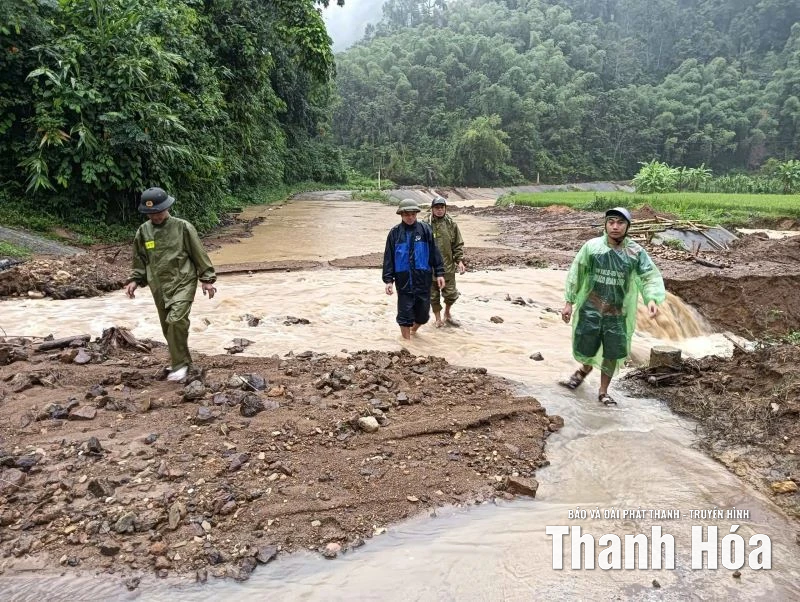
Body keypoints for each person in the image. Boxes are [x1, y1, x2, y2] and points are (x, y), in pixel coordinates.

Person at [560, 207, 666, 406]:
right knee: (587, 346)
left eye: (620, 223)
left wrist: (652, 299)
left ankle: (603, 391)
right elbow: (577, 273)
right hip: (591, 308)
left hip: (617, 312)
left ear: (627, 226)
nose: (615, 227)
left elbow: (649, 276)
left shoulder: (635, 252)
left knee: (612, 352)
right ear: (605, 225)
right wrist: (569, 302)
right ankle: (584, 369)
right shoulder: (592, 248)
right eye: (611, 222)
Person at [124, 187, 217, 382]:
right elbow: (140, 259)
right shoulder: (144, 231)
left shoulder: (183, 227)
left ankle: (180, 365)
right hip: (158, 285)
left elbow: (199, 253)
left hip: (183, 281)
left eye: (158, 211)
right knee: (168, 327)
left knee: (176, 321)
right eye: (151, 213)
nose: (155, 216)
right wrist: (134, 280)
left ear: (167, 208)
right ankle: (182, 361)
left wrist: (207, 279)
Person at [383, 198, 446, 339]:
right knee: (404, 315)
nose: (410, 217)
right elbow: (389, 258)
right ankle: (407, 345)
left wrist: (440, 273)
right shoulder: (394, 233)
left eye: (413, 214)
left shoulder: (425, 230)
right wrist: (388, 280)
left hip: (423, 280)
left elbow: (435, 252)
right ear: (401, 215)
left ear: (416, 214)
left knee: (423, 316)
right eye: (406, 214)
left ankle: (413, 331)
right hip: (404, 281)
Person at [423, 195, 466, 327]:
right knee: (433, 295)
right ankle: (437, 318)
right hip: (430, 267)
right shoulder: (425, 224)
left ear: (445, 208)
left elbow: (457, 244)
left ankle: (447, 313)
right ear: (432, 209)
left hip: (447, 266)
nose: (439, 210)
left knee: (451, 294)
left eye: (442, 207)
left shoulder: (451, 224)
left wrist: (460, 261)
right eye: (437, 207)